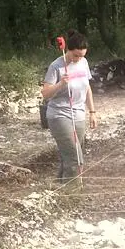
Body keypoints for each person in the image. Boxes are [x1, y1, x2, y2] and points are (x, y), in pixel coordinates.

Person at [41, 30, 97, 184]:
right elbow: (45, 94)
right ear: (68, 50)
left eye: (82, 56)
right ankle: (72, 191)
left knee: (70, 153)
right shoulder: (56, 66)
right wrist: (60, 84)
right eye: (75, 55)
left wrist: (92, 112)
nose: (78, 59)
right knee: (75, 156)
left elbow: (87, 88)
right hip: (59, 115)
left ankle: (59, 184)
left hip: (78, 115)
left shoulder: (83, 63)